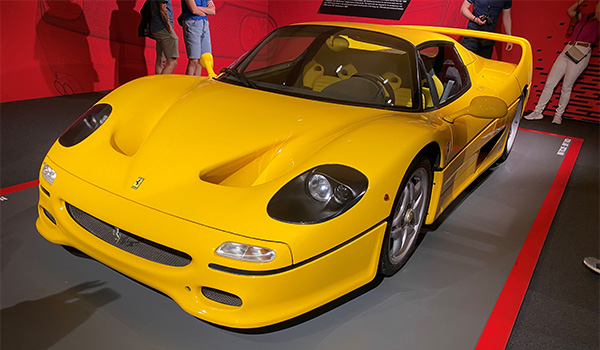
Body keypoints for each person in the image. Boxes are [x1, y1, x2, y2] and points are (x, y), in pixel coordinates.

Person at [524, 0, 599, 125]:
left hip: (582, 51)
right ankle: (538, 111)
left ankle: (558, 115)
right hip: (569, 48)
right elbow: (570, 11)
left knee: (566, 86)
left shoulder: (598, 22)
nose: (596, 5)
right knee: (550, 82)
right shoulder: (586, 17)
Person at [180, 0, 216, 76]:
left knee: (202, 59)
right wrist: (205, 11)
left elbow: (213, 11)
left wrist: (198, 8)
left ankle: (196, 85)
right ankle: (188, 85)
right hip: (192, 22)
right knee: (194, 60)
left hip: (204, 23)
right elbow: (193, 10)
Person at [149, 0, 178, 74]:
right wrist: (170, 29)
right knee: (172, 62)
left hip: (157, 27)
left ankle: (157, 84)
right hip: (163, 28)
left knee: (161, 60)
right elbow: (163, 9)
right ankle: (161, 84)